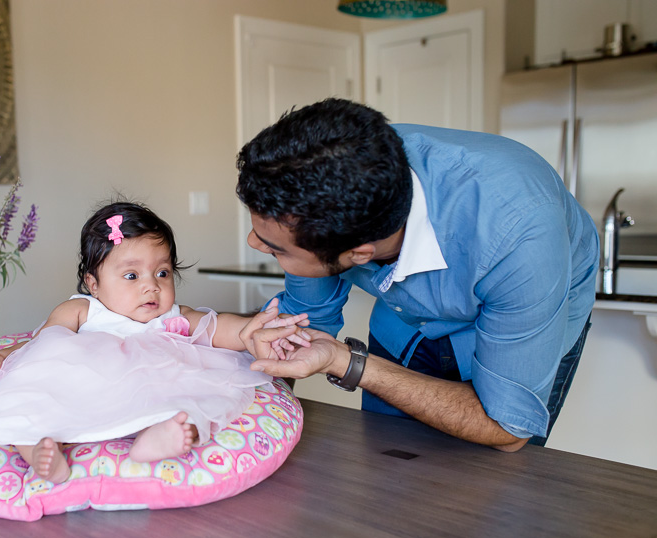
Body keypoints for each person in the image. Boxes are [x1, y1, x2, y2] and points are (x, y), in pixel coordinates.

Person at [236, 98, 599, 452]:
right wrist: (248, 432)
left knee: (493, 488)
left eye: (276, 248)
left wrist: (346, 362)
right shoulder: (321, 193)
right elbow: (299, 328)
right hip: (403, 321)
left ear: (359, 255)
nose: (254, 243)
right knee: (389, 463)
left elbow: (506, 428)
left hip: (521, 298)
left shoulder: (520, 237)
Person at [0, 201, 308, 483]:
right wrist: (11, 355)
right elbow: (43, 344)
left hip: (153, 383)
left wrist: (249, 331)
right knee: (25, 395)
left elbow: (220, 327)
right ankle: (38, 450)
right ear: (93, 284)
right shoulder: (82, 310)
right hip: (83, 384)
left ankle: (156, 440)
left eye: (162, 272)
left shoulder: (172, 317)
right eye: (131, 276)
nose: (151, 287)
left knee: (200, 398)